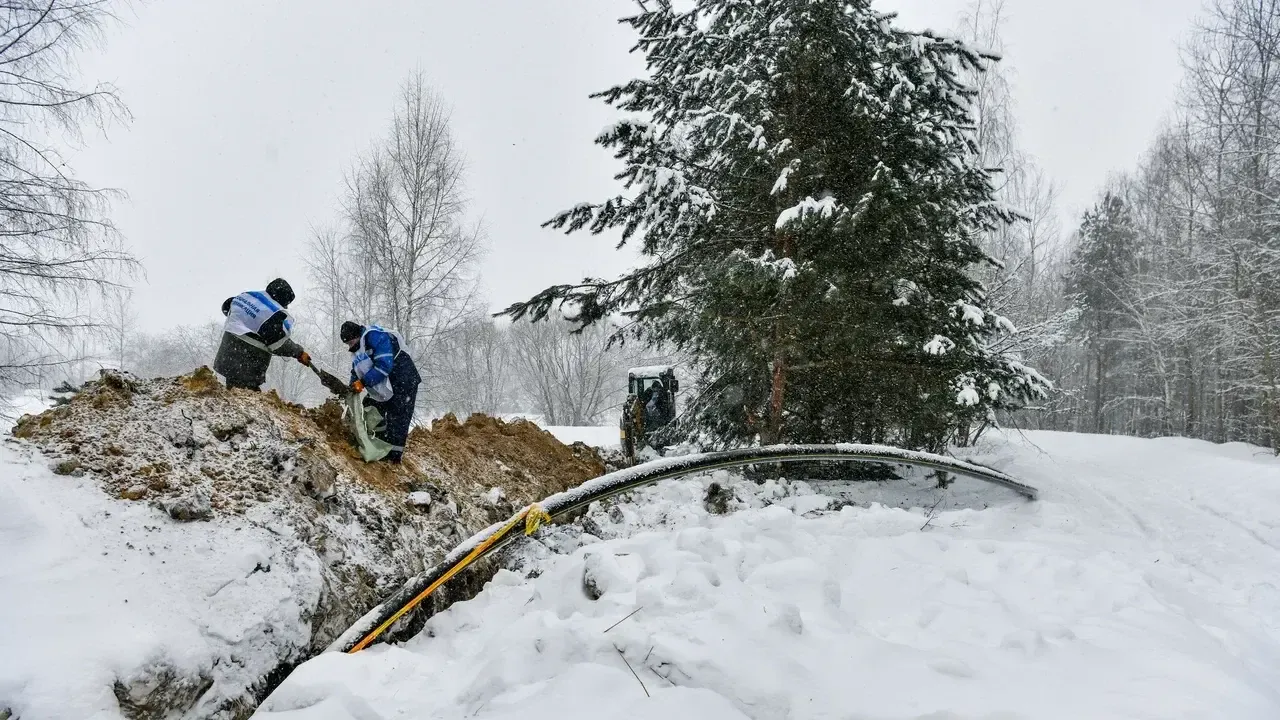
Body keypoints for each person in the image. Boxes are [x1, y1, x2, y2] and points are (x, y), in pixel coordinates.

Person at [341, 321, 421, 463]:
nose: (350, 346)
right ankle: (379, 446)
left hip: (403, 377)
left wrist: (363, 382)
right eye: (347, 344)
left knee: (398, 414)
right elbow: (357, 369)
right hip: (386, 383)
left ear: (357, 335)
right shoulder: (358, 349)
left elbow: (384, 365)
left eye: (351, 342)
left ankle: (394, 457)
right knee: (372, 407)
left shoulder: (375, 337)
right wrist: (351, 387)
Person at [214, 278, 310, 391]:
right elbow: (278, 344)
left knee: (235, 393)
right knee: (247, 399)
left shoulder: (248, 297)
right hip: (247, 366)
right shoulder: (274, 314)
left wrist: (247, 320)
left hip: (227, 355)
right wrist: (299, 352)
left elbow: (227, 306)